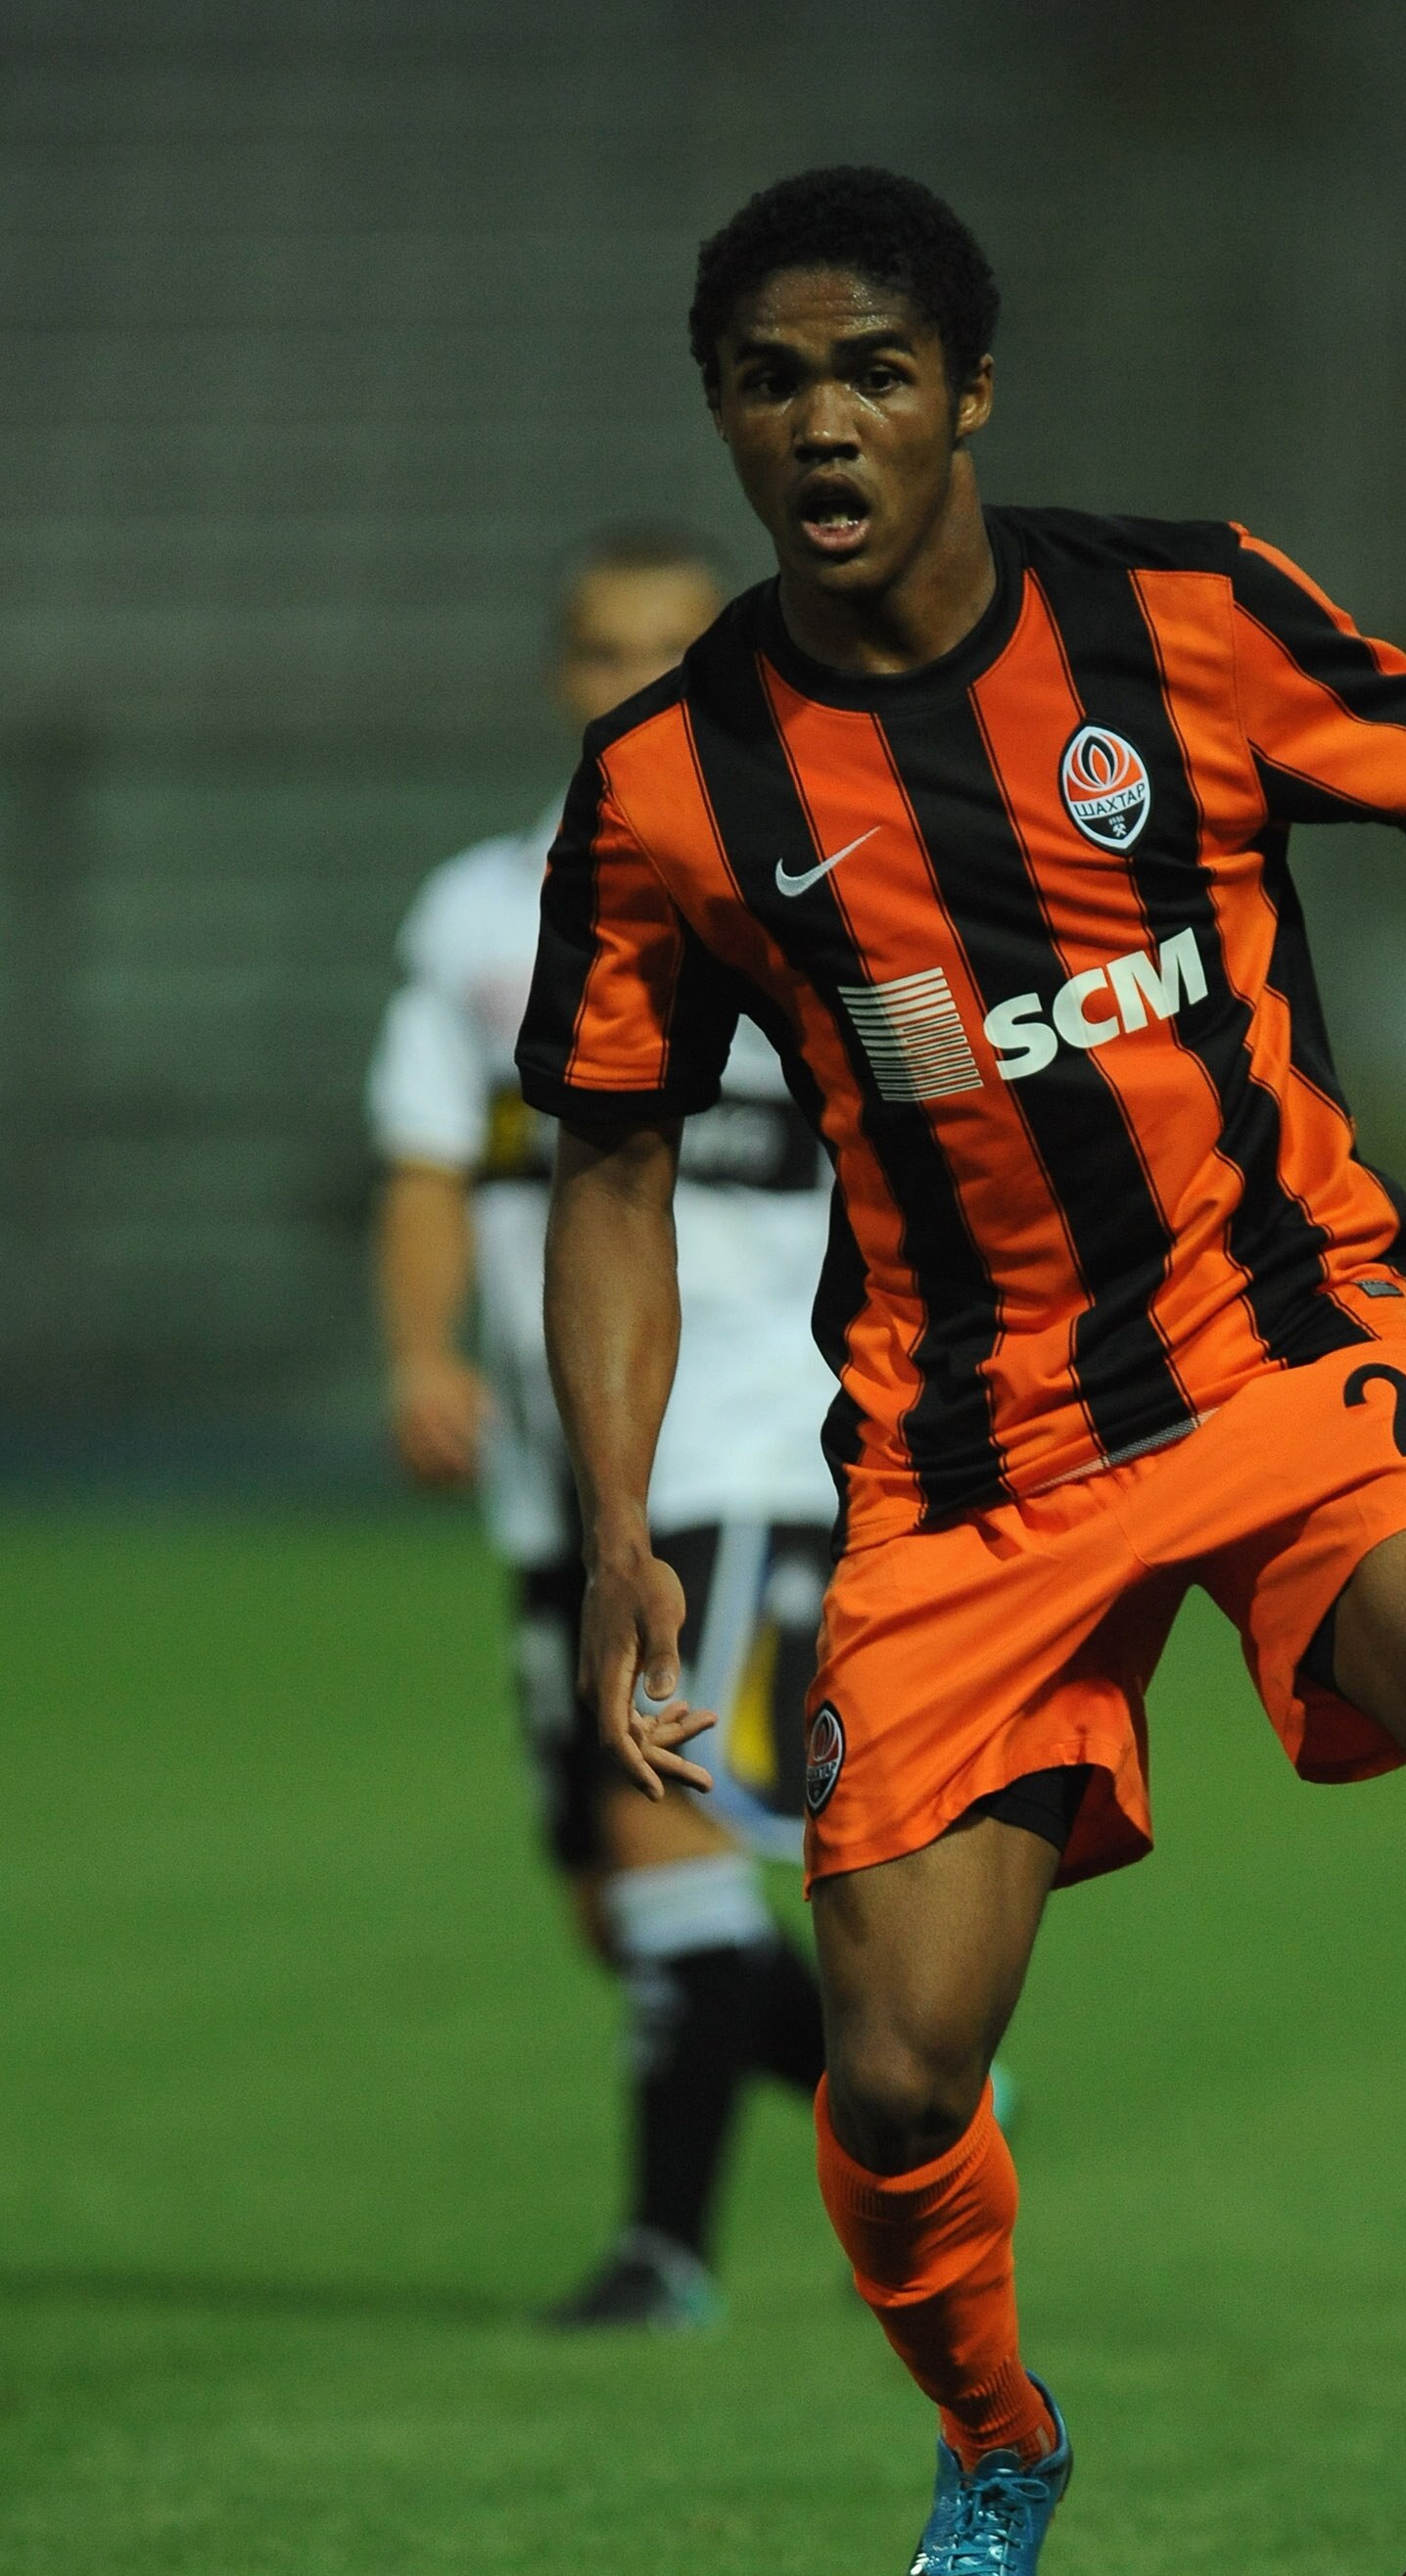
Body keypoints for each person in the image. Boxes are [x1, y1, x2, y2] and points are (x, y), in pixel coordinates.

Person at [517, 167, 1406, 2576]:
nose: (822, 423)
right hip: (966, 1464)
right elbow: (607, 1158)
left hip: (1282, 1333)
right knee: (902, 2060)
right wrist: (618, 1526)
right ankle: (997, 2439)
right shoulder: (676, 788)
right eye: (769, 380)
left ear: (965, 394)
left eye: (870, 373)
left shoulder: (1189, 613)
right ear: (723, 411)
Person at [368, 526, 836, 2332]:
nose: (634, 673)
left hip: (742, 1433)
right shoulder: (483, 914)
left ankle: (664, 2255)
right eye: (602, 647)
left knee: (669, 1824)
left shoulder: (801, 886)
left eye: (674, 642)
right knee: (606, 1894)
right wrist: (423, 1351)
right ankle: (913, 2079)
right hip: (554, 1467)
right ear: (561, 672)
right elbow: (427, 1165)